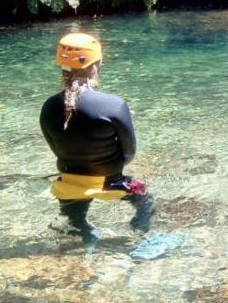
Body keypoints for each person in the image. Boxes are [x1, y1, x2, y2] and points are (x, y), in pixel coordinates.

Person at [40, 32, 154, 240]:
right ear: (97, 64)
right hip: (109, 182)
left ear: (61, 66)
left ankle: (80, 229)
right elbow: (129, 153)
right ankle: (141, 234)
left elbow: (55, 149)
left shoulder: (48, 107)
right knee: (145, 197)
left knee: (73, 217)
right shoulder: (113, 105)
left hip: (69, 184)